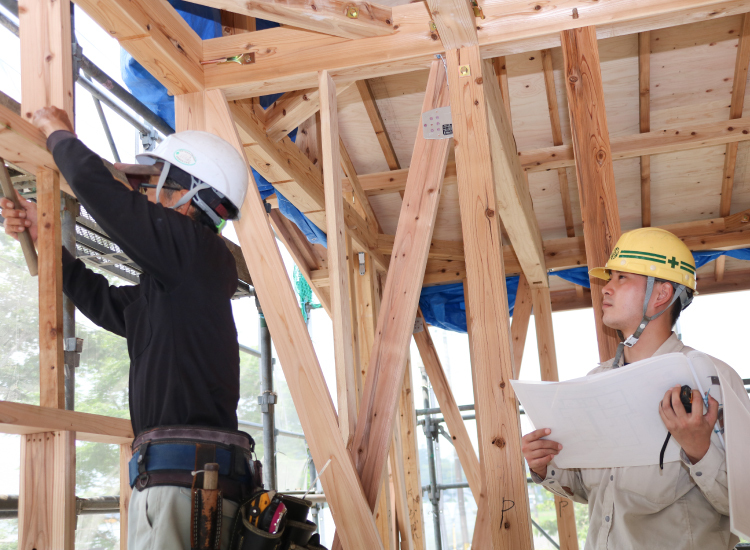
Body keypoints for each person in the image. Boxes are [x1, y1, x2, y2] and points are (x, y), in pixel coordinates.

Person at [2, 106, 254, 549]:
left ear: (188, 195)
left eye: (156, 187)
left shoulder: (196, 252)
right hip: (178, 481)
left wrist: (58, 134)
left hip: (185, 483)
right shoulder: (177, 284)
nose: (148, 198)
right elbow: (103, 302)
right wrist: (47, 242)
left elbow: (114, 206)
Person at [521, 227, 747, 550]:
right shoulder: (595, 382)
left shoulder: (713, 382)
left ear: (660, 295)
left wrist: (701, 451)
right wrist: (546, 467)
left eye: (621, 278)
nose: (605, 289)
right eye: (609, 278)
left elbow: (745, 504)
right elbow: (594, 491)